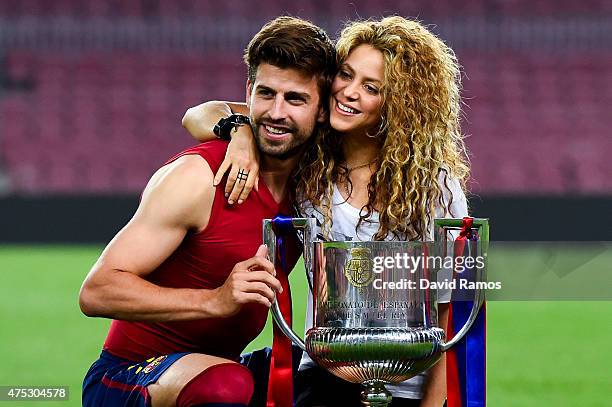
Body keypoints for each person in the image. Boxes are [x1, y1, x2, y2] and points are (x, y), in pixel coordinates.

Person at [182, 16, 469, 407]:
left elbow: (448, 308)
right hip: (324, 377)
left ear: (399, 104)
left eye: (371, 87)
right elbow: (198, 114)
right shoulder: (309, 159)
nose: (349, 93)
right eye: (345, 75)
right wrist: (241, 132)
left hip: (406, 386)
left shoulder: (432, 185)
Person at [79, 16, 336, 407]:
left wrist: (241, 128)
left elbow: (203, 113)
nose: (276, 112)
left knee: (337, 371)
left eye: (295, 99)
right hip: (129, 376)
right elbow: (96, 291)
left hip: (221, 366)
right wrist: (214, 300)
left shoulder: (313, 179)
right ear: (248, 91)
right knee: (226, 388)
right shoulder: (200, 177)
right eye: (265, 94)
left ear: (321, 110)